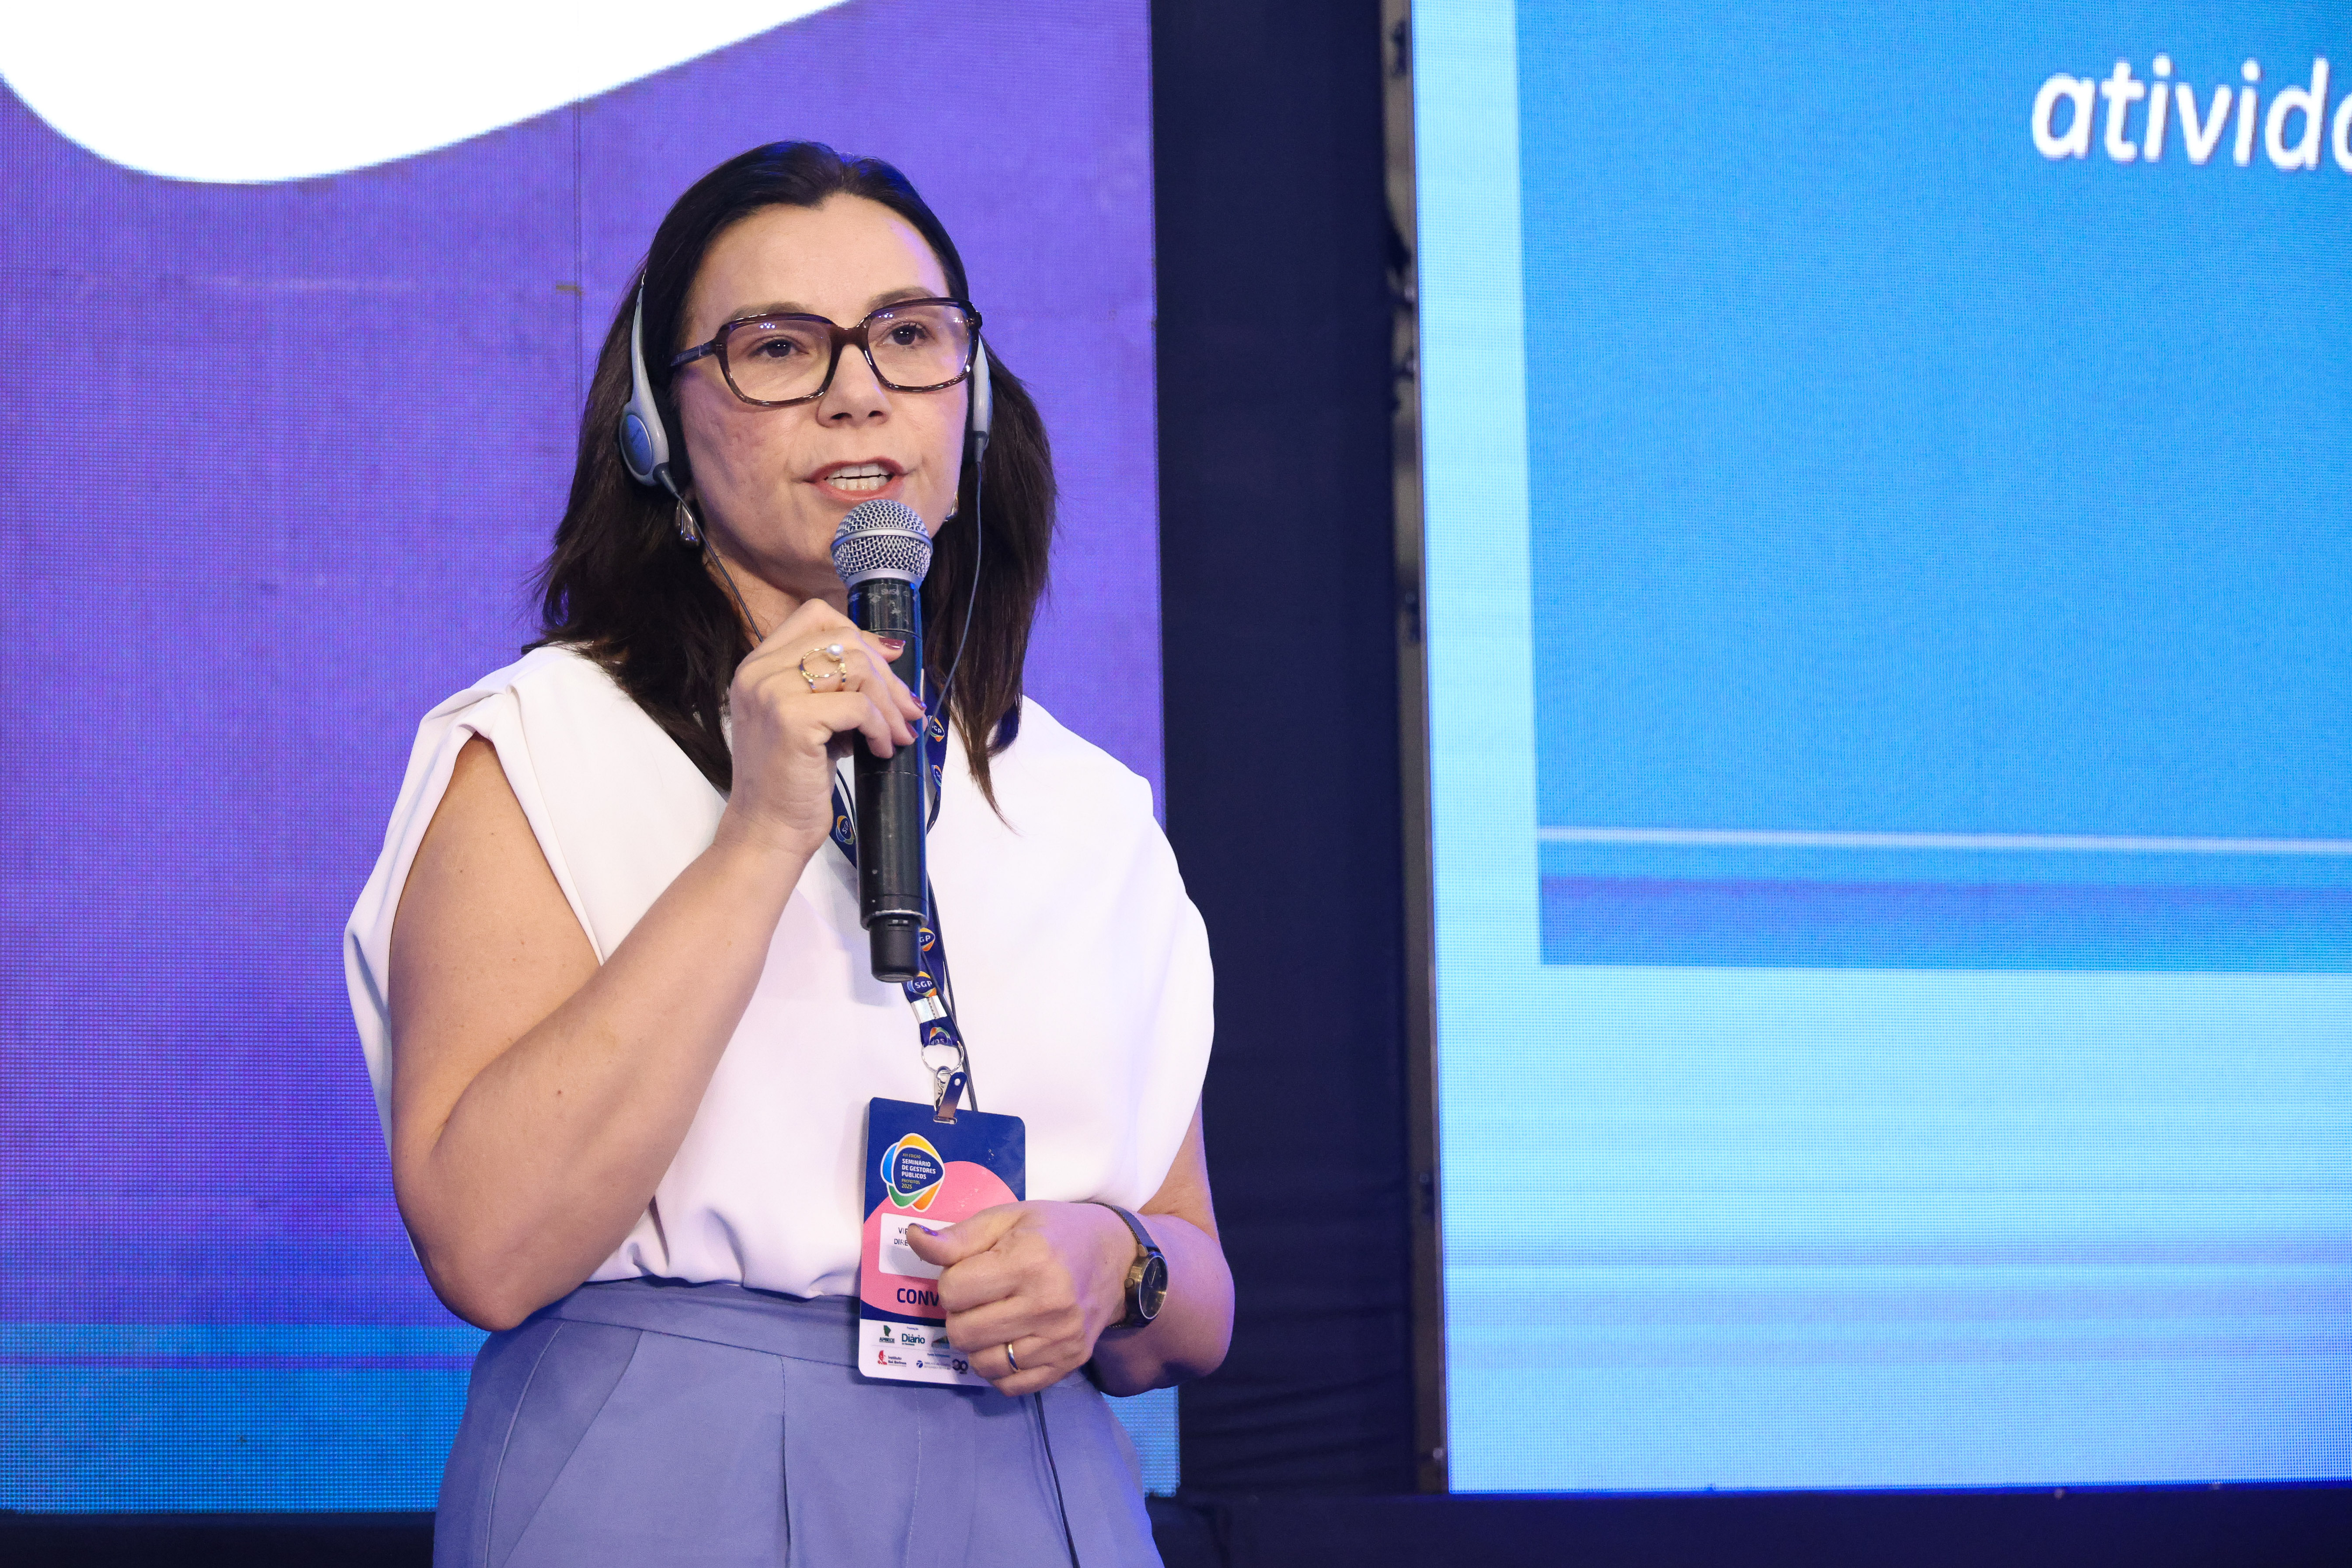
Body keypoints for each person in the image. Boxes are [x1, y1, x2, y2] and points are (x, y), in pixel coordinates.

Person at [344, 142, 1227, 1567]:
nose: (857, 390)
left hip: (1035, 1480)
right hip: (661, 1475)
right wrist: (757, 833)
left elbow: (1194, 1291)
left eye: (908, 336)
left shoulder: (1087, 804)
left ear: (972, 399)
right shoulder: (539, 744)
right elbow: (486, 1246)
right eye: (777, 348)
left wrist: (1110, 1263)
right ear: (657, 428)